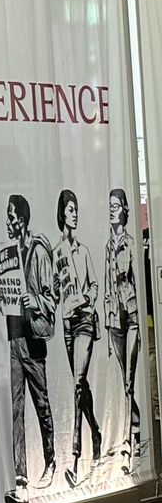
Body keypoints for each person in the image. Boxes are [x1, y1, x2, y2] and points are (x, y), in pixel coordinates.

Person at [0, 194, 55, 503]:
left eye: (11, 215)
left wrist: (35, 300)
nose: (8, 221)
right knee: (17, 409)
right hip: (14, 337)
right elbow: (8, 296)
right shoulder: (9, 255)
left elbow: (51, 298)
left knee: (41, 403)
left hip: (33, 339)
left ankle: (51, 459)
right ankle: (21, 479)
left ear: (22, 220)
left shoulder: (38, 252)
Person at [53, 189, 102, 487]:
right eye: (71, 209)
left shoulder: (83, 251)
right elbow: (53, 289)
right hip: (67, 324)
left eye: (76, 209)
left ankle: (74, 457)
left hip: (84, 320)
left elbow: (94, 284)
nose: (75, 214)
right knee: (80, 386)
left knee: (77, 384)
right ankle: (95, 431)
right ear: (62, 213)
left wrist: (88, 300)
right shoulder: (56, 252)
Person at [104, 188, 144, 472]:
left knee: (129, 381)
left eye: (116, 205)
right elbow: (107, 286)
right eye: (110, 205)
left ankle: (127, 443)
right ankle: (137, 429)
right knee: (124, 383)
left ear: (125, 209)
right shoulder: (108, 245)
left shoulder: (130, 243)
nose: (112, 209)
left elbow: (134, 281)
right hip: (114, 322)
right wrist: (107, 324)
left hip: (131, 317)